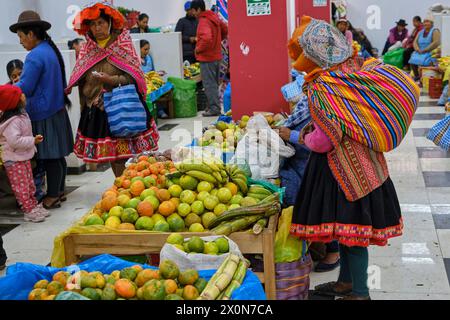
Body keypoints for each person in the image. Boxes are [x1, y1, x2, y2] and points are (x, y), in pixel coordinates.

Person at [288, 16, 418, 300]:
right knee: (347, 234)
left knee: (353, 234)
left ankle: (360, 292)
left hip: (345, 174)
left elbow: (325, 141)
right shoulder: (356, 69)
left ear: (313, 54)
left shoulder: (324, 86)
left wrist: (298, 137)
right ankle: (345, 282)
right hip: (369, 167)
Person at [66, 2, 159, 177]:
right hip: (99, 108)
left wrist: (111, 80)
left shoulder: (122, 43)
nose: (97, 28)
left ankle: (129, 184)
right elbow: (81, 75)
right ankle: (121, 185)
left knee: (125, 154)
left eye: (100, 23)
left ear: (110, 22)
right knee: (112, 154)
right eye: (93, 24)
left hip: (122, 105)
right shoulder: (88, 48)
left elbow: (134, 76)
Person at [10, 10, 74, 210]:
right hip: (56, 108)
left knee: (50, 156)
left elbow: (25, 87)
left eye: (21, 36)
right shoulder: (49, 49)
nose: (20, 41)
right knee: (58, 155)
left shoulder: (35, 56)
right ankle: (60, 191)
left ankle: (53, 195)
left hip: (43, 112)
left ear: (31, 34)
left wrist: (6, 91)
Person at [0, 84, 49, 222]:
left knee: (29, 184)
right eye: (20, 94)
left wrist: (32, 140)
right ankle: (28, 211)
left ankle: (33, 205)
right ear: (14, 102)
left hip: (22, 156)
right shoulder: (12, 121)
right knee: (21, 186)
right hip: (14, 159)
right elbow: (14, 141)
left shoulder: (21, 115)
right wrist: (32, 140)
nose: (24, 95)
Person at [191, 0, 228, 117]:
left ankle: (214, 108)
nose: (193, 13)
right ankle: (213, 106)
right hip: (217, 56)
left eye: (193, 11)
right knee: (214, 84)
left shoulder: (203, 20)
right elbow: (225, 29)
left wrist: (198, 49)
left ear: (198, 9)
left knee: (209, 84)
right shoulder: (214, 17)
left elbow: (206, 38)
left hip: (207, 57)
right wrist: (217, 42)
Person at [409, 15, 441, 81]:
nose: (425, 23)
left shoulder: (435, 31)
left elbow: (436, 42)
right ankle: (417, 76)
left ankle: (425, 78)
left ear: (431, 23)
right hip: (420, 51)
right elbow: (415, 42)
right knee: (412, 58)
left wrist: (425, 50)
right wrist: (417, 49)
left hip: (430, 51)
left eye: (427, 22)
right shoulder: (421, 32)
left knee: (427, 61)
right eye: (424, 22)